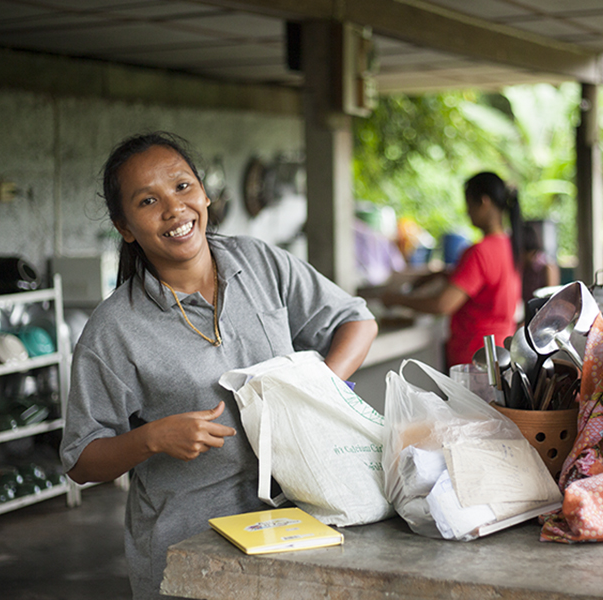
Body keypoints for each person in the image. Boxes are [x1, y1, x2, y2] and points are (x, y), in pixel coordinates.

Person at [59, 131, 378, 600]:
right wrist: (151, 438)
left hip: (297, 522)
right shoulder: (114, 329)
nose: (174, 209)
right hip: (190, 547)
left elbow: (356, 320)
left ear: (205, 193)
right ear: (125, 226)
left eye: (183, 186)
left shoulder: (259, 262)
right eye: (148, 200)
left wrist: (317, 389)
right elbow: (81, 459)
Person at [382, 171, 522, 368]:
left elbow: (442, 304)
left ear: (483, 202)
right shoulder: (509, 245)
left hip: (475, 360)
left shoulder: (480, 251)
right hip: (501, 353)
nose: (467, 211)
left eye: (469, 204)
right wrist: (445, 275)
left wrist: (396, 299)